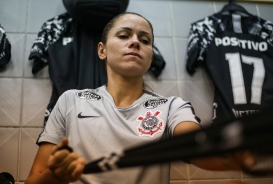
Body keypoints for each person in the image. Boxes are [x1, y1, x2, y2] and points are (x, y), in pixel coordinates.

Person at [25, 12, 254, 184]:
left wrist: (228, 153)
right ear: (102, 50)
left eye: (145, 40)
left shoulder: (171, 106)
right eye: (124, 36)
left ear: (150, 55)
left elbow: (195, 144)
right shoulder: (71, 100)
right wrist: (56, 175)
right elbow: (35, 179)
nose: (135, 42)